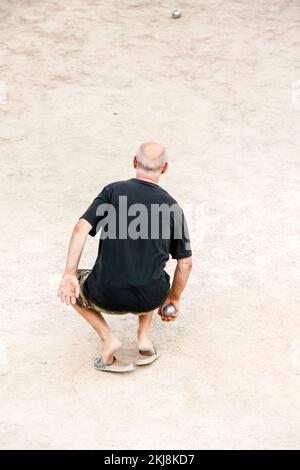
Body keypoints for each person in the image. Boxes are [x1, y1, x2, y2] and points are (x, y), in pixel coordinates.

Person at [57, 142, 192, 372]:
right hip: (151, 298)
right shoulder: (173, 207)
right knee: (156, 271)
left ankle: (108, 339)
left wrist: (69, 274)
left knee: (73, 284)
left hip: (104, 294)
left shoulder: (113, 192)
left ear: (134, 162)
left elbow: (81, 228)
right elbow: (185, 263)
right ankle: (144, 339)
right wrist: (174, 299)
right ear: (165, 168)